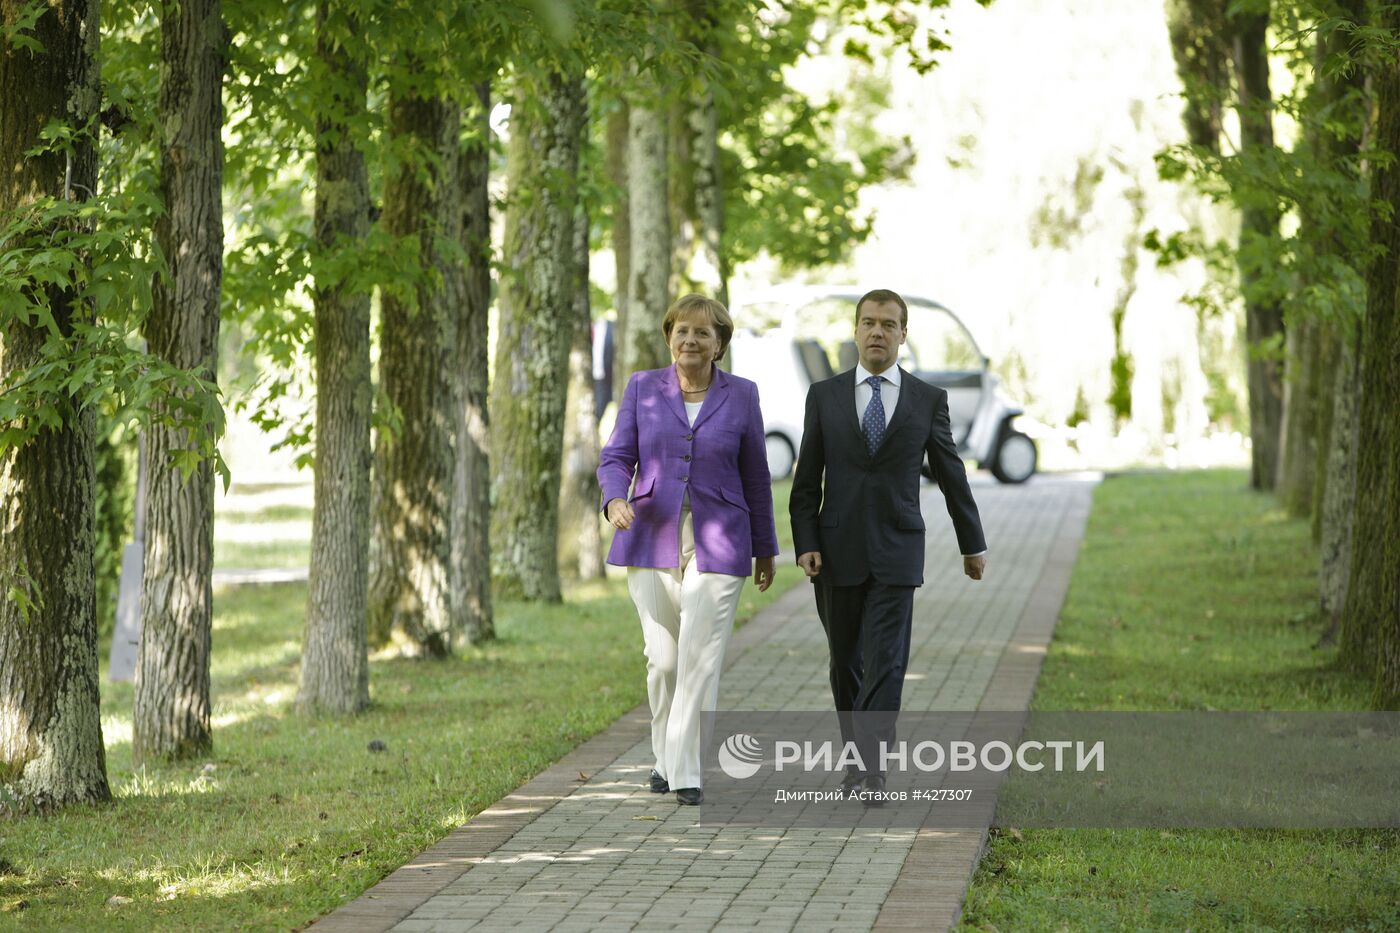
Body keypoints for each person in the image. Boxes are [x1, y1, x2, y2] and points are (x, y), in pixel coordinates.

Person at [789, 287, 987, 804]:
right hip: (836, 551)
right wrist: (805, 541)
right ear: (856, 331)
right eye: (869, 323)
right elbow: (806, 480)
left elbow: (951, 472)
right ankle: (857, 762)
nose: (877, 332)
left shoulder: (927, 399)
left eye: (888, 324)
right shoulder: (824, 396)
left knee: (887, 664)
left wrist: (973, 543)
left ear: (903, 334)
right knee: (845, 663)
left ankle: (870, 771)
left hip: (898, 551)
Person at [598, 294, 779, 806]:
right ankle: (664, 758)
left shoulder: (742, 395)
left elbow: (756, 476)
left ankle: (686, 770)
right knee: (664, 662)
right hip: (651, 529)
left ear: (720, 343)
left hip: (720, 536)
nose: (691, 341)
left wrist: (765, 548)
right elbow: (616, 456)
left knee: (700, 655)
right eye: (682, 331)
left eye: (703, 332)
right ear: (668, 337)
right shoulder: (641, 388)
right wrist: (614, 499)